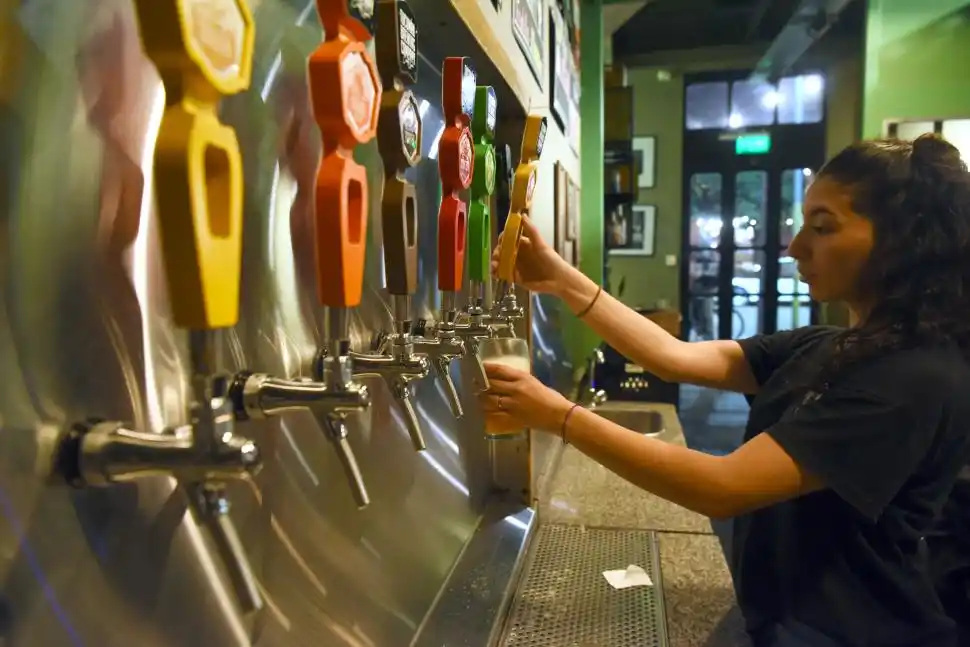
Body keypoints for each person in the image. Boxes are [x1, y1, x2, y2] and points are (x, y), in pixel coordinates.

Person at [482, 134, 970, 647]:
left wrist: (558, 416)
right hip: (785, 615)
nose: (796, 247)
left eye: (823, 227)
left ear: (903, 241)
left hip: (851, 632)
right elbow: (674, 357)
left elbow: (722, 486)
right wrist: (561, 279)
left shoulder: (912, 379)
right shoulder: (829, 345)